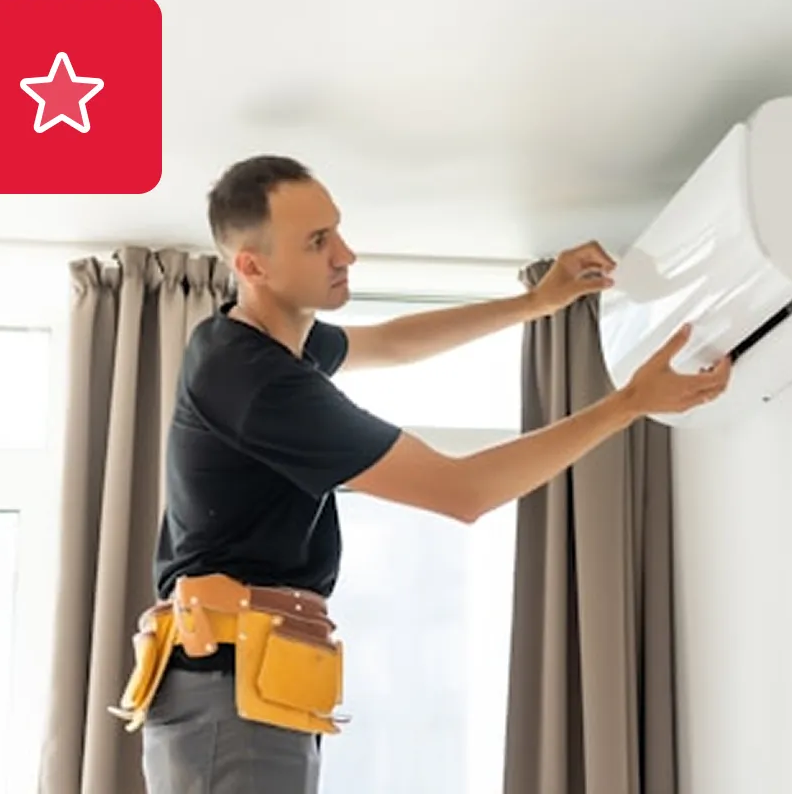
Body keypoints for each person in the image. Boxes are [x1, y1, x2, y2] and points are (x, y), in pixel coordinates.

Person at [117, 155, 731, 794]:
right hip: (228, 685)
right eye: (318, 242)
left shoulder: (268, 345)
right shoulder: (258, 384)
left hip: (251, 676)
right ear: (252, 266)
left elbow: (391, 343)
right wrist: (628, 403)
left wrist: (536, 303)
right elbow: (464, 492)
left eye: (338, 230)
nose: (345, 254)